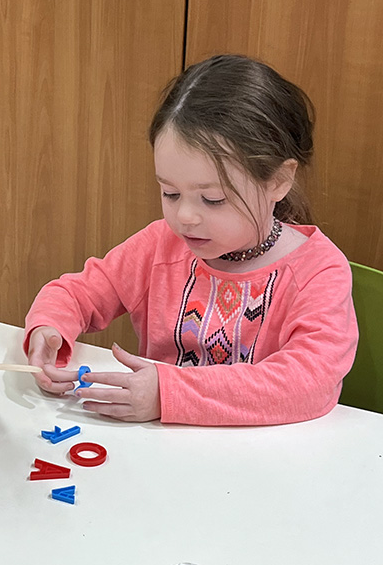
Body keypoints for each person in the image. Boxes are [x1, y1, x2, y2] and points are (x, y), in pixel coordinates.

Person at [24, 54, 358, 426]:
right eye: (170, 193)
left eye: (212, 199)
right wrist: (50, 326)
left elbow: (309, 383)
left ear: (278, 181)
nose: (184, 217)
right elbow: (78, 292)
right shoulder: (161, 245)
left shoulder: (318, 271)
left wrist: (168, 394)